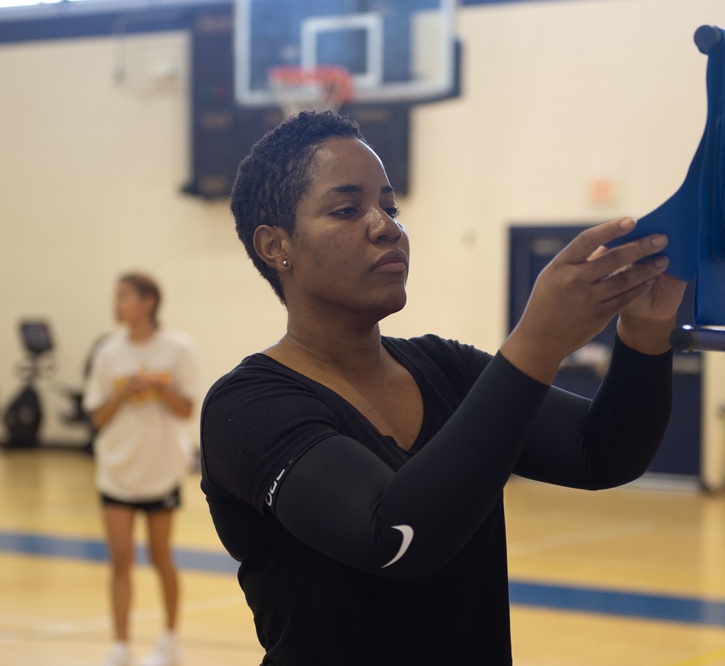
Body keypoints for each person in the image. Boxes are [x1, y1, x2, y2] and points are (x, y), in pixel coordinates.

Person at [199, 110, 687, 665]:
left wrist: (646, 330)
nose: (386, 225)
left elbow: (603, 454)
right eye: (346, 208)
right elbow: (394, 537)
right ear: (275, 246)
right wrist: (536, 345)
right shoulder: (246, 407)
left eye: (390, 205)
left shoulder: (445, 367)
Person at [84, 272, 198, 666]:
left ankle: (170, 639)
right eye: (116, 297)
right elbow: (96, 417)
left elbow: (187, 409)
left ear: (148, 301)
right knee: (120, 560)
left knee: (161, 556)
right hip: (117, 469)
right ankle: (120, 645)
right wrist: (121, 391)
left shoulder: (178, 348)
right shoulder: (107, 353)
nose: (117, 305)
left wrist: (158, 386)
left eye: (125, 296)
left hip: (161, 469)